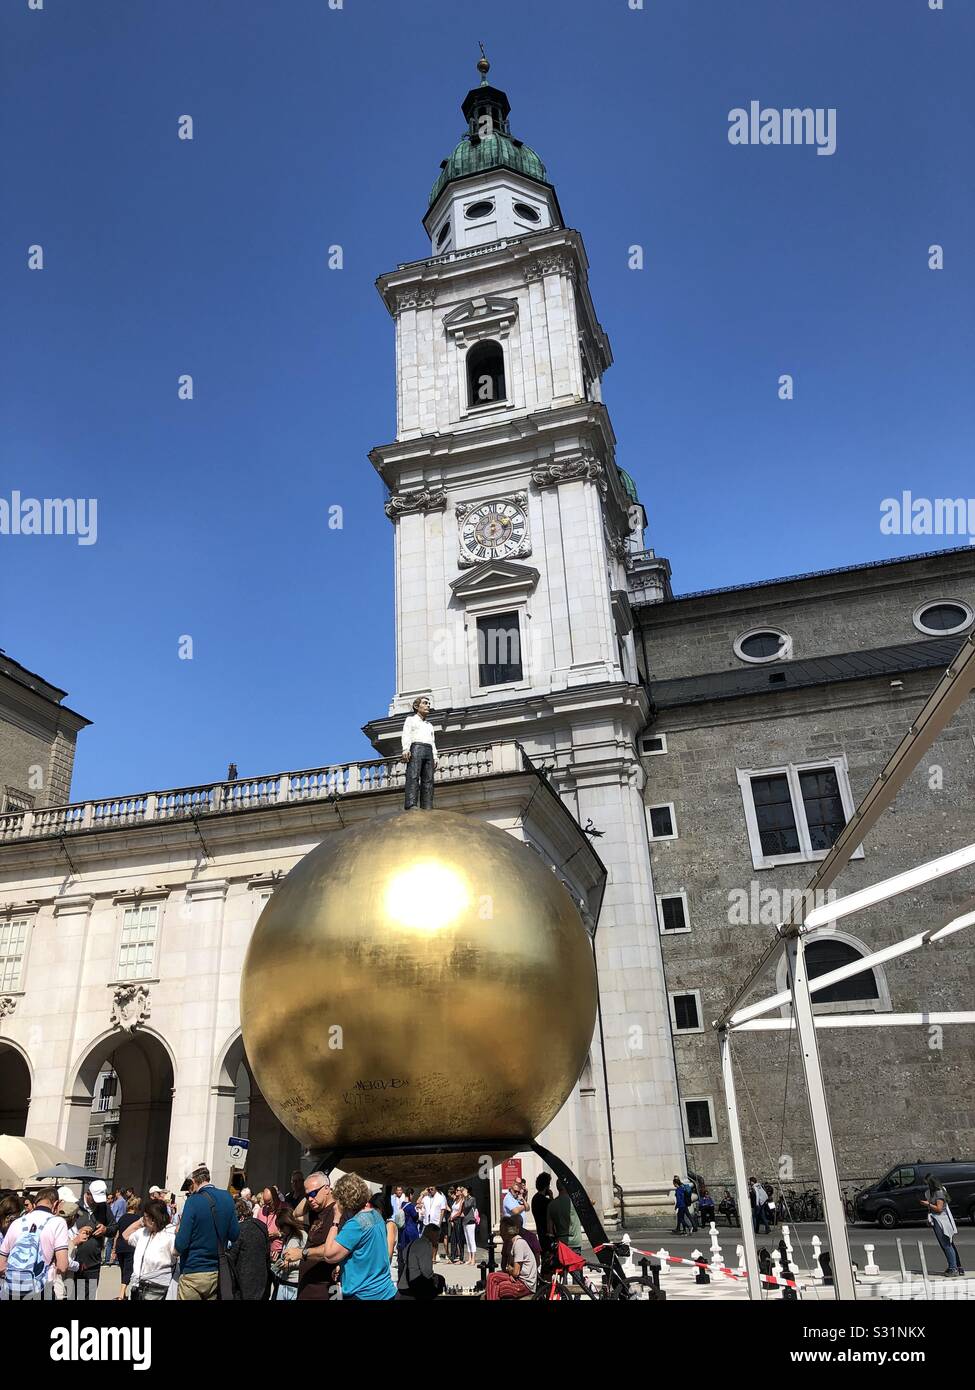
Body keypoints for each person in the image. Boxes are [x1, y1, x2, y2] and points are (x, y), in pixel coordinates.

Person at [322, 1172, 396, 1300]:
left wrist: (336, 1219)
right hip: (385, 1292)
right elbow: (366, 1252)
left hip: (363, 1294)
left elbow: (329, 1255)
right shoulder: (376, 1215)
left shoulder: (355, 1225)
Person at [174, 1162, 240, 1300]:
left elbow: (181, 1243)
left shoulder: (193, 1201)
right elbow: (234, 1234)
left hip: (193, 1271)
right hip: (217, 1272)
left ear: (193, 1181)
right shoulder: (227, 1197)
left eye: (189, 1186)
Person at [0, 1187, 70, 1300]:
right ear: (56, 1204)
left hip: (14, 1290)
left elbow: (1, 1265)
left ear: (35, 1203)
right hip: (42, 1290)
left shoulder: (17, 1222)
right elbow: (62, 1266)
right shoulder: (58, 1222)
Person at [296, 1171, 339, 1301]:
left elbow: (332, 1250)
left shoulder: (337, 1213)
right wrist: (309, 1193)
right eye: (307, 1195)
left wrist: (302, 1253)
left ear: (327, 1189)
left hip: (324, 1290)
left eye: (313, 1194)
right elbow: (296, 1214)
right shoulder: (316, 1212)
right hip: (307, 1288)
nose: (309, 1199)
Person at [125, 1199, 177, 1301]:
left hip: (158, 1288)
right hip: (138, 1287)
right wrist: (141, 1221)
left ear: (153, 1219)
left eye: (145, 1217)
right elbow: (126, 1235)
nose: (143, 1220)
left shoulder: (171, 1234)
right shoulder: (144, 1232)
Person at [920, 1173, 965, 1276]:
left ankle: (953, 1268)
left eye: (927, 1183)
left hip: (942, 1220)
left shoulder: (939, 1192)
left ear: (932, 1183)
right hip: (937, 1219)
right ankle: (954, 1267)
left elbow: (939, 1209)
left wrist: (928, 1204)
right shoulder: (931, 1192)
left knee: (947, 1244)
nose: (926, 1185)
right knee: (946, 1244)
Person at [227, 1197, 271, 1300]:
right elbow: (267, 1253)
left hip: (244, 1284)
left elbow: (231, 1258)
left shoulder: (239, 1229)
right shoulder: (261, 1225)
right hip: (261, 1280)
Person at [485, 1217, 537, 1300]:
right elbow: (508, 1268)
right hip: (518, 1278)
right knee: (492, 1277)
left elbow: (515, 1272)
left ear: (507, 1231)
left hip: (525, 1284)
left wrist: (511, 1271)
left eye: (501, 1230)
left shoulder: (519, 1243)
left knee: (498, 1285)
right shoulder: (511, 1243)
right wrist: (511, 1272)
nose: (500, 1233)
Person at [401, 695, 438, 811]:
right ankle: (411, 803)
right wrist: (406, 748)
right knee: (413, 776)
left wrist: (435, 756)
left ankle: (427, 805)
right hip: (416, 748)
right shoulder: (410, 719)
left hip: (428, 750)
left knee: (428, 779)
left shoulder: (429, 725)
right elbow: (406, 734)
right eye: (425, 703)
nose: (428, 706)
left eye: (429, 703)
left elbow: (432, 742)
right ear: (417, 706)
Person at [398, 1223, 444, 1299]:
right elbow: (426, 1271)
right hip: (414, 1285)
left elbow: (404, 1256)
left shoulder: (413, 1242)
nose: (438, 1238)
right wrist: (434, 1278)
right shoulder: (426, 1245)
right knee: (440, 1280)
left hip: (403, 1282)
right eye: (437, 1235)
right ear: (431, 1234)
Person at [272, 1204, 308, 1300]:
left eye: (282, 1227)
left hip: (294, 1283)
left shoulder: (303, 1236)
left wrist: (290, 1264)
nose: (280, 1230)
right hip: (284, 1281)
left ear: (288, 1223)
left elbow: (306, 1258)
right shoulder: (287, 1237)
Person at [114, 1196, 144, 1299]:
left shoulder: (122, 1218)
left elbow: (118, 1234)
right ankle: (121, 1294)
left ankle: (124, 1293)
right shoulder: (137, 1219)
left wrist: (114, 1248)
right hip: (130, 1246)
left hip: (120, 1246)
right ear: (136, 1207)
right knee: (128, 1270)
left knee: (123, 1270)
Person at [547, 1179, 583, 1255]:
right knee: (576, 1266)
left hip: (561, 1243)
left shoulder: (551, 1205)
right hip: (575, 1242)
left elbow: (550, 1230)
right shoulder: (574, 1201)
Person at [418, 1185, 447, 1254]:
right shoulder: (426, 1198)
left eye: (432, 1189)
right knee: (426, 1240)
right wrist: (422, 1194)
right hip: (427, 1222)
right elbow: (418, 1202)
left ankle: (433, 1257)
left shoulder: (441, 1198)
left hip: (435, 1222)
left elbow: (443, 1211)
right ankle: (427, 1255)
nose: (430, 1191)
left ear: (435, 1189)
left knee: (434, 1241)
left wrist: (439, 1223)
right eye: (429, 1189)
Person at [531, 1172, 553, 1258]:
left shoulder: (535, 1198)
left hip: (540, 1233)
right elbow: (553, 1210)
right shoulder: (545, 1201)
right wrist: (551, 1196)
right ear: (546, 1186)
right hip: (547, 1235)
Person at [459, 1185, 478, 1266]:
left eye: (465, 1190)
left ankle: (473, 1258)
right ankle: (469, 1258)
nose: (463, 1192)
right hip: (465, 1221)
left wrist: (465, 1197)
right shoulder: (464, 1199)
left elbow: (467, 1205)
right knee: (467, 1240)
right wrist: (463, 1198)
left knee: (471, 1240)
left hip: (471, 1221)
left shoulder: (472, 1199)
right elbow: (461, 1207)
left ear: (468, 1191)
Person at [447, 1187, 464, 1263]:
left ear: (461, 1192)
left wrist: (452, 1218)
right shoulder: (455, 1200)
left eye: (457, 1190)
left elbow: (459, 1212)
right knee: (453, 1239)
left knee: (459, 1239)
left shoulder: (462, 1200)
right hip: (453, 1221)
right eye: (456, 1190)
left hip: (458, 1220)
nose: (456, 1191)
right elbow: (453, 1210)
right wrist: (450, 1218)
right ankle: (453, 1257)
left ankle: (461, 1258)